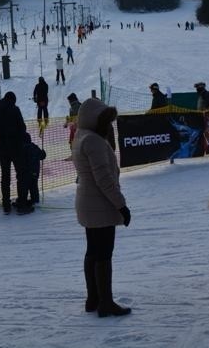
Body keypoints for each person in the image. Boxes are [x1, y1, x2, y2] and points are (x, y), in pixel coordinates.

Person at [71, 97, 132, 318]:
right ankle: (105, 303)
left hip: (87, 203)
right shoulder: (94, 141)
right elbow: (104, 179)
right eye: (104, 120)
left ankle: (93, 298)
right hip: (100, 205)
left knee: (93, 251)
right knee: (104, 254)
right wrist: (122, 206)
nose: (107, 125)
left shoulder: (81, 136)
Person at [0, 92, 32, 214]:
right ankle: (22, 204)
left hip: (2, 149)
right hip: (16, 148)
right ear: (13, 100)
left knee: (5, 176)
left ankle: (6, 205)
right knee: (21, 174)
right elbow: (22, 128)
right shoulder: (15, 109)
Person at [24, 132, 46, 205]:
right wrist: (43, 152)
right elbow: (42, 156)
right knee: (34, 185)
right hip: (35, 171)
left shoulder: (23, 148)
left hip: (26, 172)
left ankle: (24, 199)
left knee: (25, 186)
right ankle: (35, 199)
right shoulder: (34, 147)